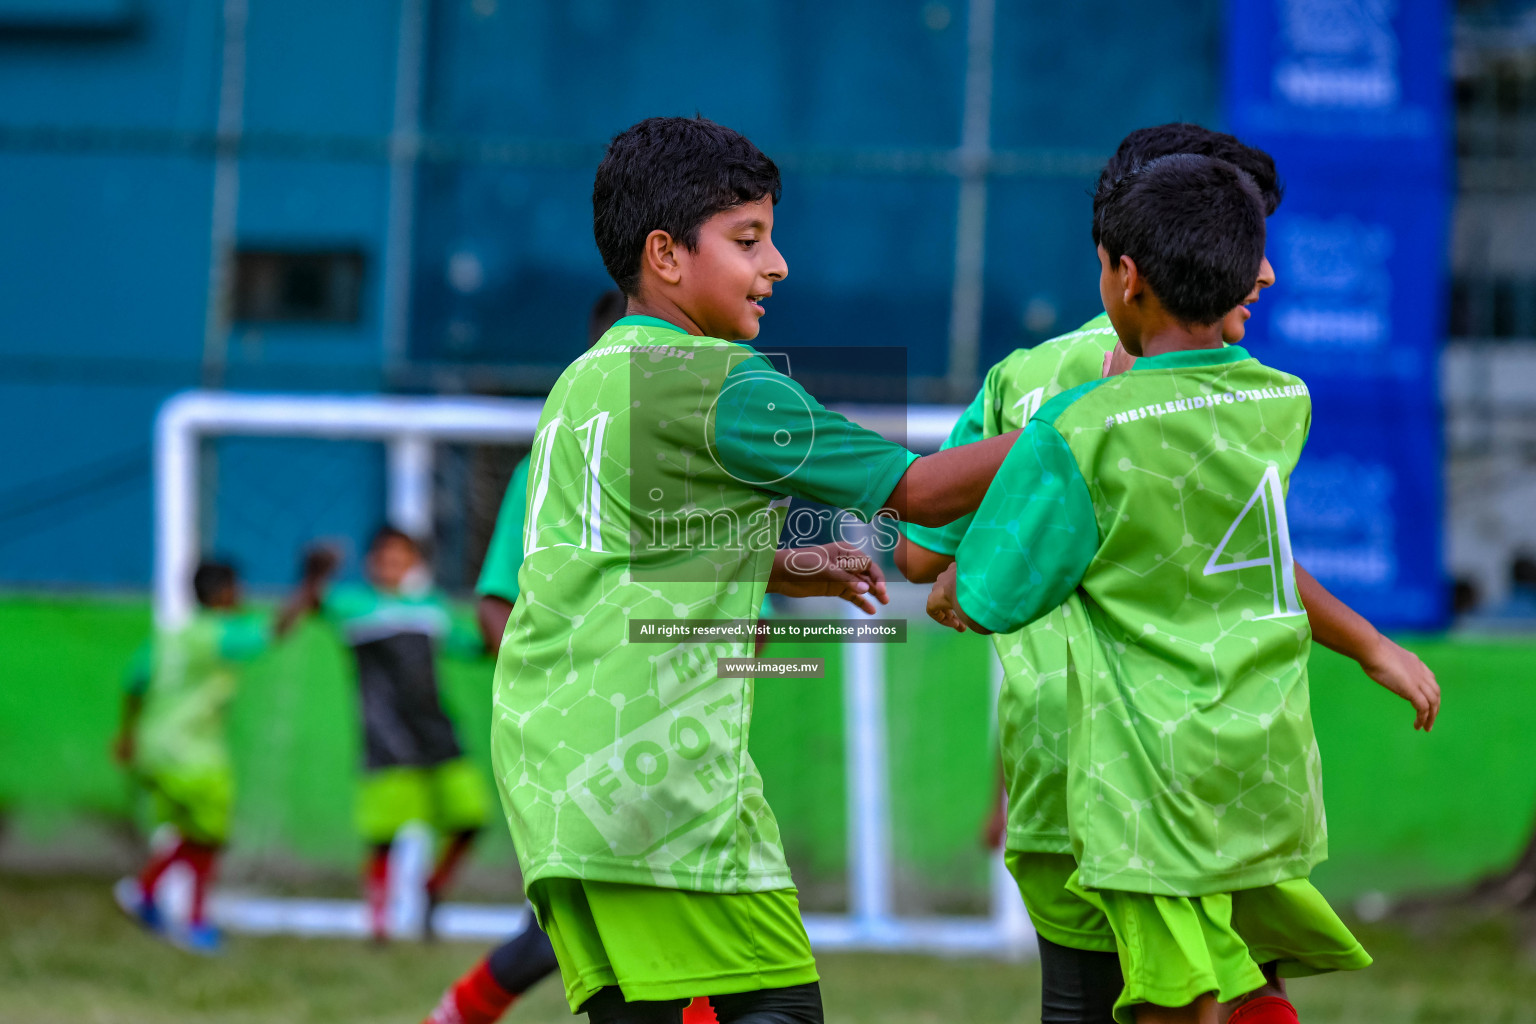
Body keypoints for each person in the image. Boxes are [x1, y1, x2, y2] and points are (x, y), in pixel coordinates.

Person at [491, 114, 1021, 1024]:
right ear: (665, 253)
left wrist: (777, 560)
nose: (777, 265)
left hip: (553, 767)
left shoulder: (585, 378)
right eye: (749, 240)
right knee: (780, 1006)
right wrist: (1067, 430)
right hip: (660, 776)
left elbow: (615, 553)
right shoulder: (719, 380)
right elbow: (924, 492)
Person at [904, 124, 1439, 1024]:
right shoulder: (1263, 396)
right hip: (1218, 758)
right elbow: (1247, 550)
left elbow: (927, 554)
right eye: (1248, 243)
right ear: (1145, 257)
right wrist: (1366, 642)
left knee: (1114, 997)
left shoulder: (1036, 384)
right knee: (1232, 975)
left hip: (1092, 772)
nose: (1262, 274)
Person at [425, 291, 717, 1024]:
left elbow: (751, 615)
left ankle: (458, 1012)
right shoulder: (548, 465)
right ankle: (460, 1011)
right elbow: (497, 604)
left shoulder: (706, 473)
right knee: (631, 919)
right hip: (589, 738)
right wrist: (564, 694)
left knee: (665, 922)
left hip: (686, 737)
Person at [112, 554, 330, 952]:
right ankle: (195, 922)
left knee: (190, 833)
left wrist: (126, 735)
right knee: (211, 838)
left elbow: (134, 681)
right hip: (193, 755)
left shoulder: (171, 635)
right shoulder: (219, 635)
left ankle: (144, 892)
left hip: (153, 750)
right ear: (227, 593)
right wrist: (310, 582)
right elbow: (275, 629)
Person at [313, 526, 493, 943]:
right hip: (386, 737)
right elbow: (308, 605)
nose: (392, 566)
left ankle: (434, 885)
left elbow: (472, 647)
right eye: (384, 558)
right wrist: (314, 575)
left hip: (436, 732)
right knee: (383, 837)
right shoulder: (352, 607)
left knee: (470, 817)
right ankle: (379, 922)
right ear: (371, 564)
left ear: (415, 564)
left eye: (401, 558)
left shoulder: (432, 609)